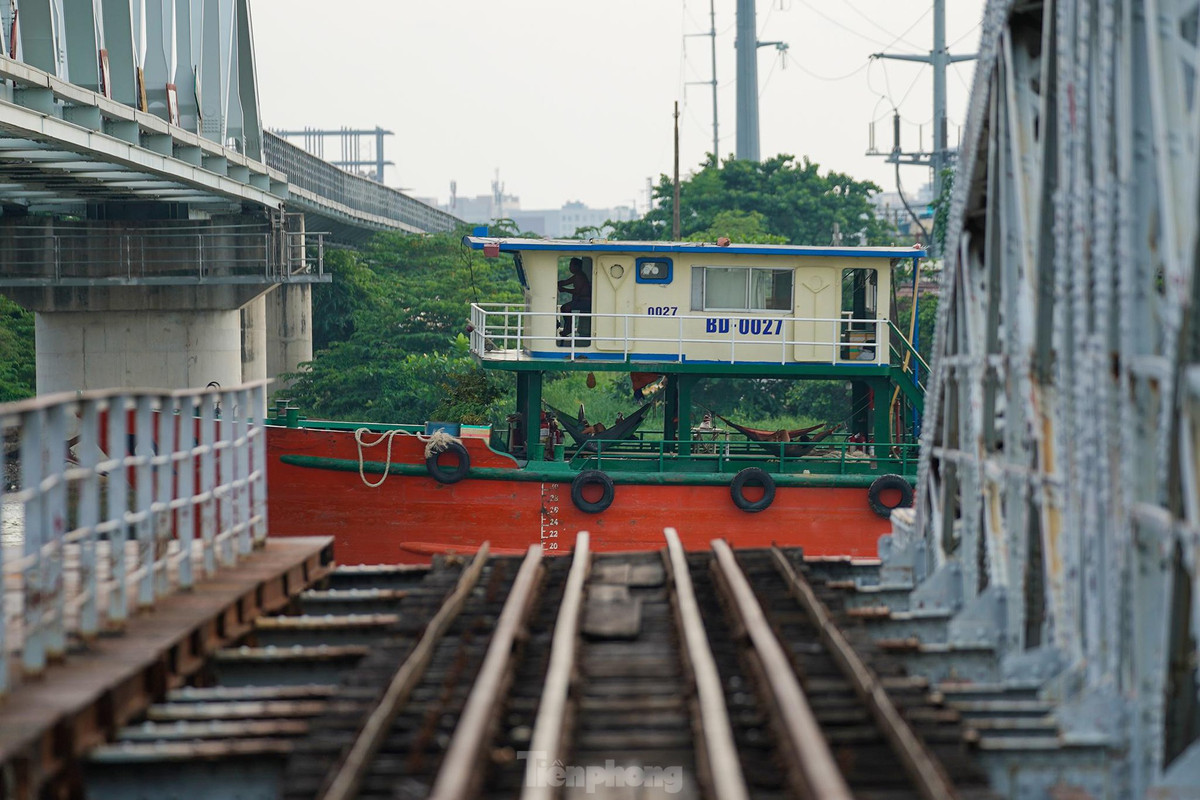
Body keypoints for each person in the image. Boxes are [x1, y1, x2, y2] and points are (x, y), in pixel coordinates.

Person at [557, 258, 591, 336]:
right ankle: (567, 327)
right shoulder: (577, 276)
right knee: (565, 307)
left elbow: (577, 291)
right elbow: (566, 282)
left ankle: (568, 328)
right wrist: (557, 283)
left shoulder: (580, 276)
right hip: (580, 301)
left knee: (565, 308)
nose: (570, 268)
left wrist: (564, 289)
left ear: (577, 266)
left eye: (571, 266)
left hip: (585, 301)